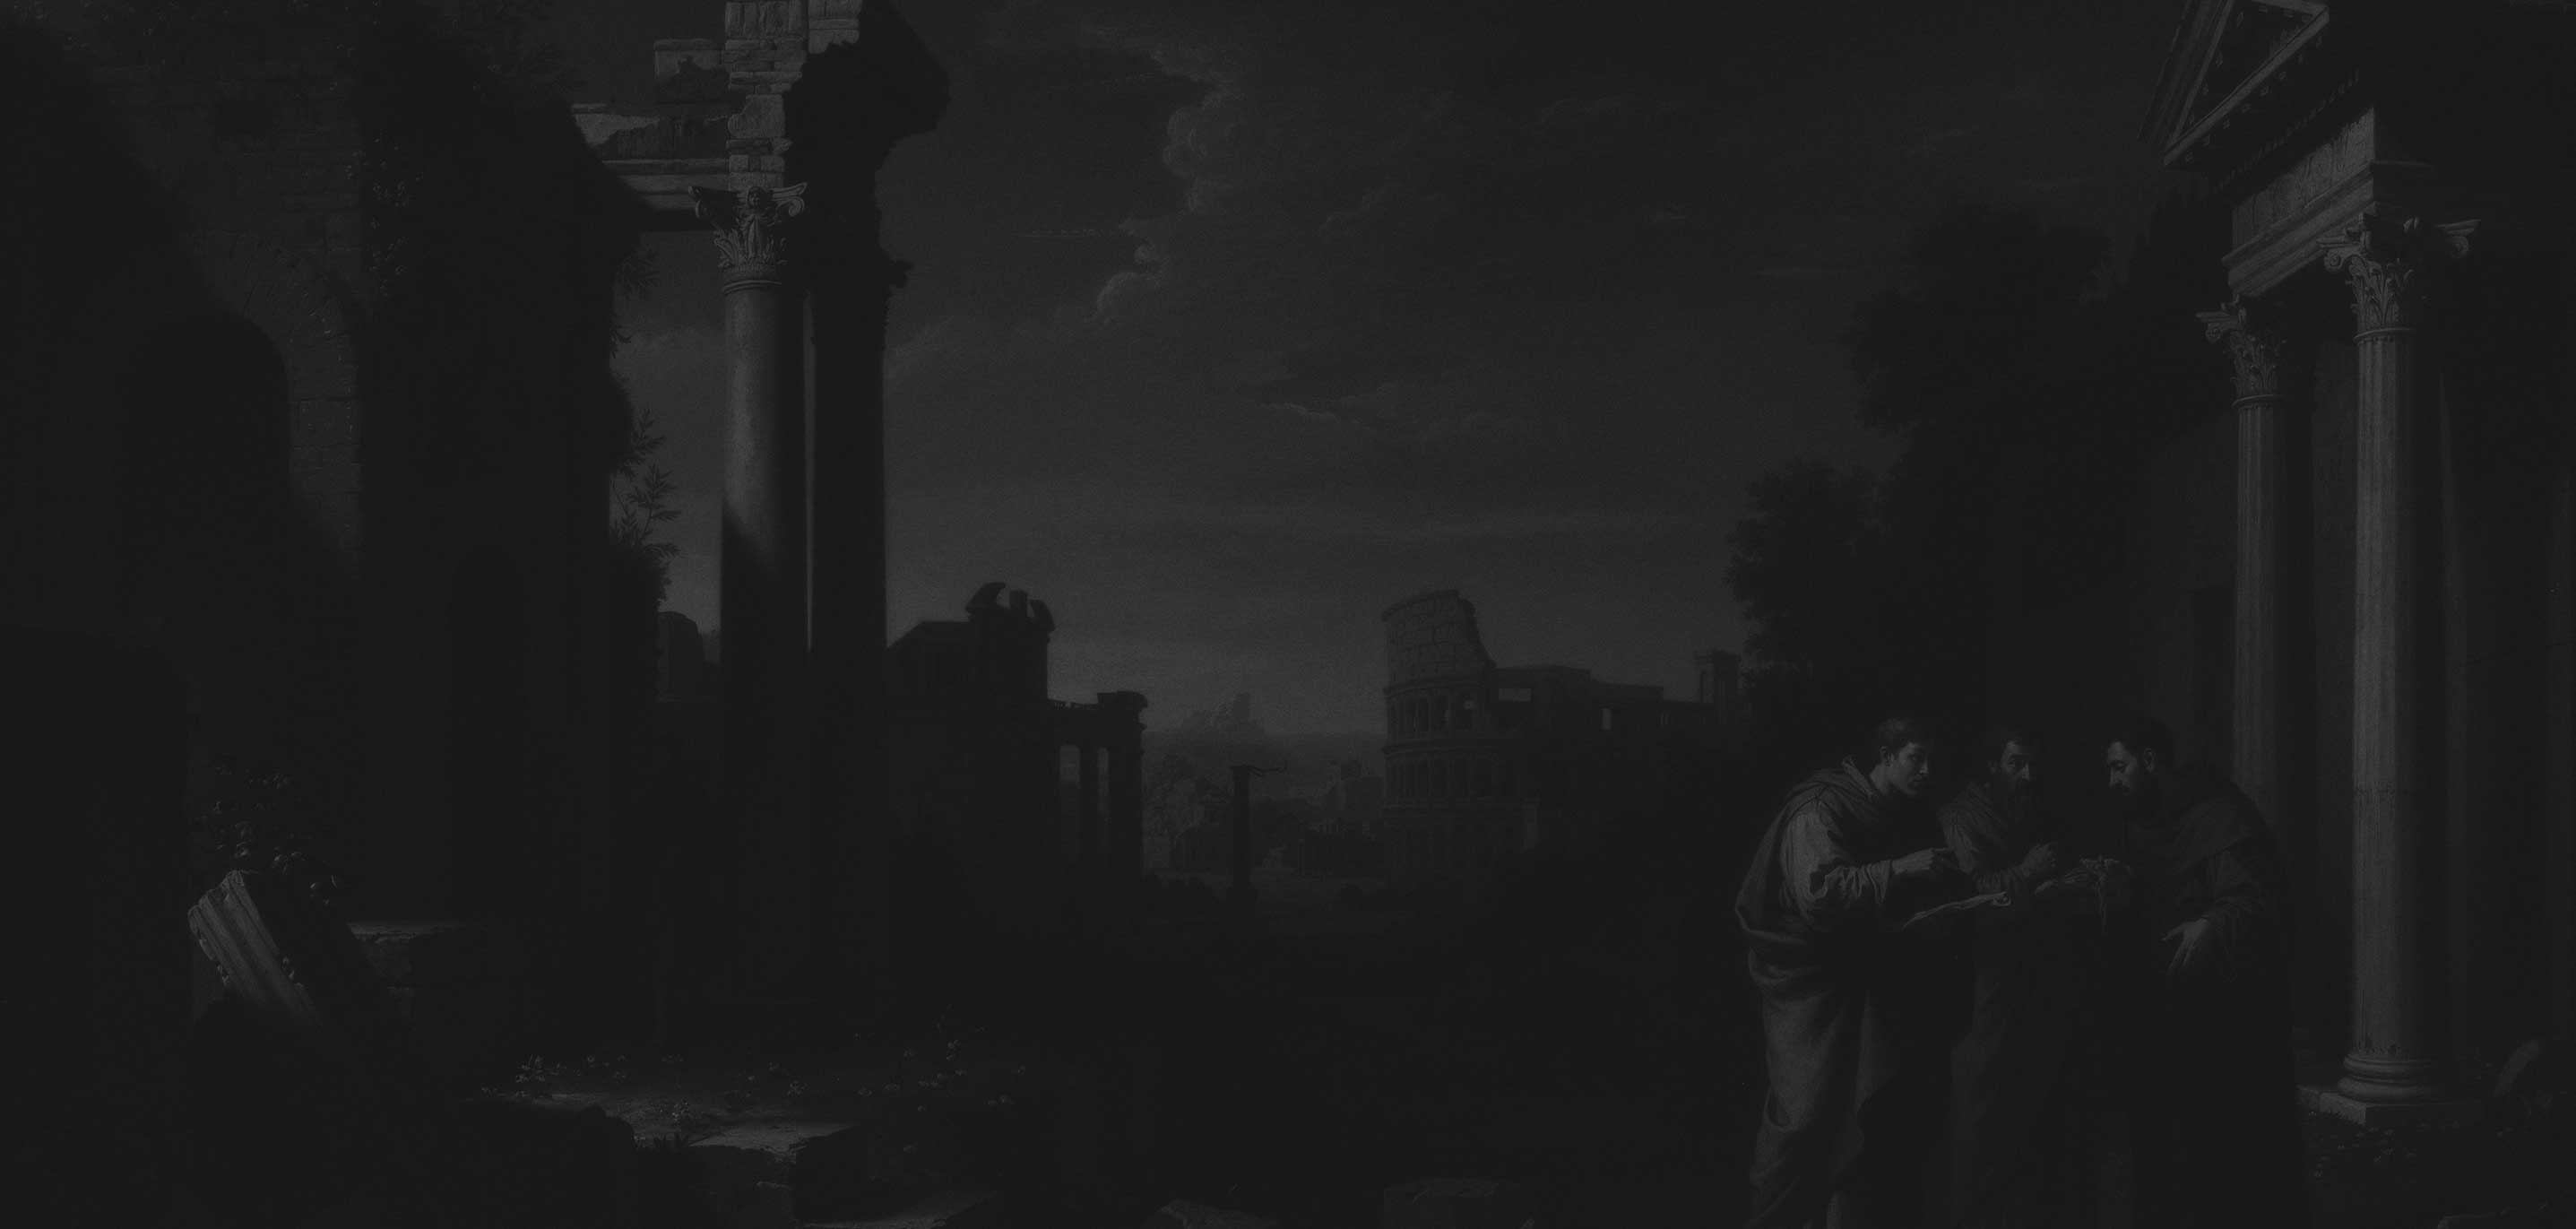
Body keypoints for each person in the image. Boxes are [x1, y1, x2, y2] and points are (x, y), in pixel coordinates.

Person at [1735, 716, 1967, 1229]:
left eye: (1934, 761)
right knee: (1803, 1119)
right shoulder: (1821, 807)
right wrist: (1901, 869)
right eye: (1916, 758)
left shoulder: (1899, 812)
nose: (1927, 771)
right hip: (1807, 988)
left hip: (1862, 983)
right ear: (1884, 756)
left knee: (1861, 1121)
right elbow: (1818, 897)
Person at [2100, 718, 2308, 1229]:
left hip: (2224, 1023)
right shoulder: (2142, 823)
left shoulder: (2218, 814)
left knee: (2225, 1163)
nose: (2112, 782)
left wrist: (2211, 924)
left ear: (2150, 761)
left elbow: (2259, 903)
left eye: (2119, 767)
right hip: (2163, 1017)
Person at [1937, 725, 2087, 1229]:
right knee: (1980, 1108)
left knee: (2031, 1106)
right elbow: (1972, 897)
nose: (2028, 775)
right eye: (2016, 764)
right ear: (1991, 767)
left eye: (2032, 765)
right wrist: (2030, 872)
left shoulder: (2028, 809)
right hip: (1984, 982)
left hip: (2032, 976)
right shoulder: (1959, 816)